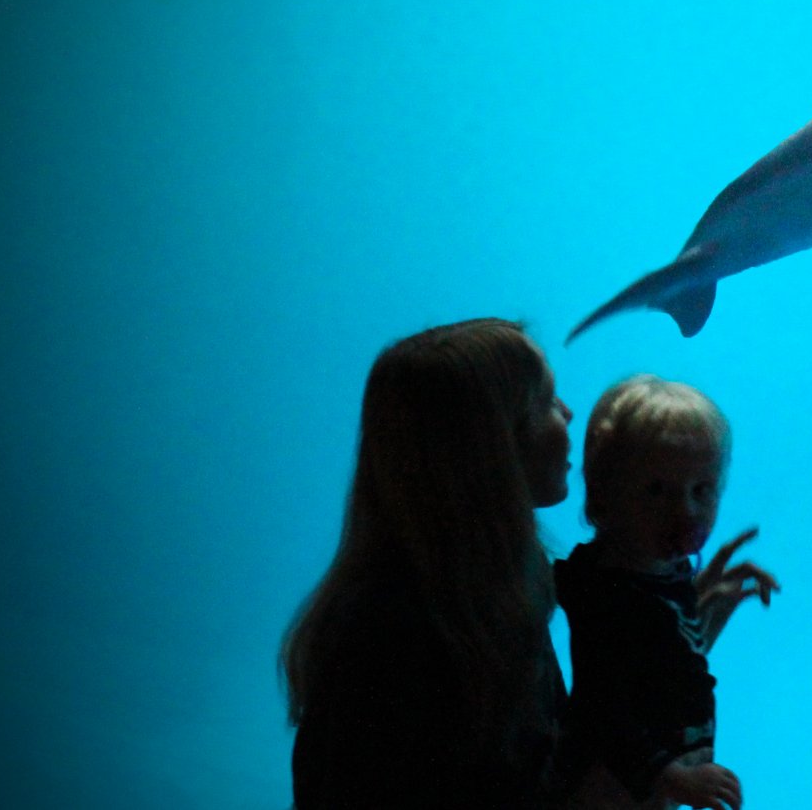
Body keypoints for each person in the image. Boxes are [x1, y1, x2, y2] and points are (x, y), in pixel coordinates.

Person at [281, 318, 575, 808]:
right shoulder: (399, 642)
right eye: (545, 401)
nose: (567, 413)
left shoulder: (492, 597)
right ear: (494, 446)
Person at [554, 375, 778, 810]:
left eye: (702, 490)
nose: (686, 511)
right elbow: (606, 710)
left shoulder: (660, 573)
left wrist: (691, 620)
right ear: (602, 492)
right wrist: (673, 778)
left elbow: (653, 668)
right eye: (657, 490)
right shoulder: (605, 592)